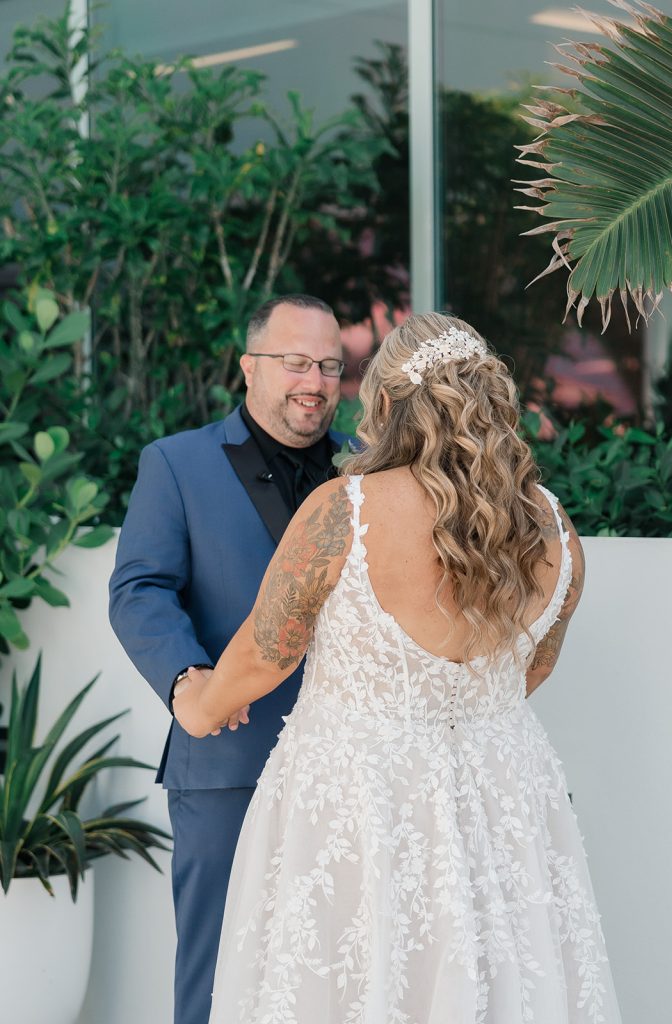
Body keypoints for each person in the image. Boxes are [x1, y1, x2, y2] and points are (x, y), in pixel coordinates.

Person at [173, 312, 623, 1023]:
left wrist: (197, 705)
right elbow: (530, 670)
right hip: (502, 798)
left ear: (385, 404)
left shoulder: (342, 512)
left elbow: (265, 651)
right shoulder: (553, 528)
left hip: (360, 800)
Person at [108, 294, 349, 1024]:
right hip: (225, 759)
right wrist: (188, 678)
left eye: (331, 366)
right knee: (216, 972)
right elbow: (139, 588)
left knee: (341, 968)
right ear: (249, 367)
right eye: (296, 362)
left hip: (355, 764)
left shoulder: (375, 474)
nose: (315, 380)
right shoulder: (174, 464)